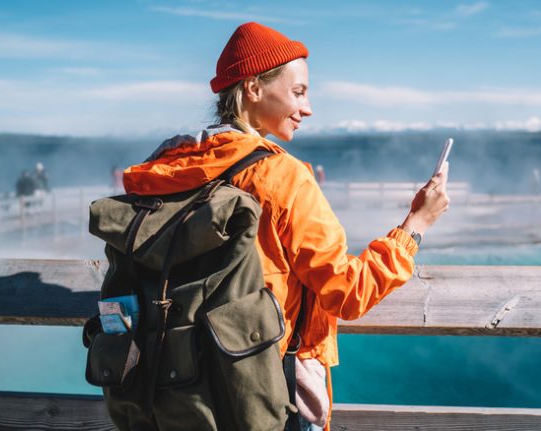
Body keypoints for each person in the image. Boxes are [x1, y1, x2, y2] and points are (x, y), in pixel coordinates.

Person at [123, 22, 449, 430]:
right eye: (298, 92)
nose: (308, 108)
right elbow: (347, 292)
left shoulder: (167, 168)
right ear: (253, 88)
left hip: (177, 385)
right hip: (263, 388)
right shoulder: (281, 177)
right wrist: (416, 224)